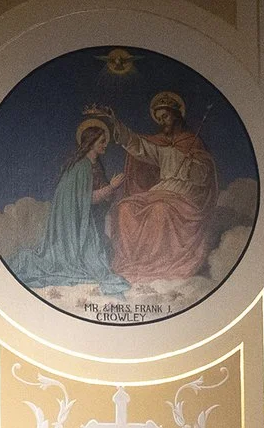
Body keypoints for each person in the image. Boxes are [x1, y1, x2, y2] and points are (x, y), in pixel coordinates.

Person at [94, 92, 220, 285]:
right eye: (159, 119)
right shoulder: (161, 145)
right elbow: (138, 145)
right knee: (125, 207)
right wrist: (114, 122)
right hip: (164, 188)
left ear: (176, 115)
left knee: (160, 209)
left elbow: (205, 176)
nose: (162, 122)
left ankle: (158, 265)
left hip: (185, 192)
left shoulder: (192, 142)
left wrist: (192, 164)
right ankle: (132, 263)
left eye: (165, 116)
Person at [11, 116, 129, 293]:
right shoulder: (81, 167)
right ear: (91, 143)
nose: (106, 144)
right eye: (102, 141)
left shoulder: (95, 165)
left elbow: (97, 197)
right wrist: (111, 187)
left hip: (89, 219)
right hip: (74, 224)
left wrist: (110, 190)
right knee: (92, 260)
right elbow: (85, 199)